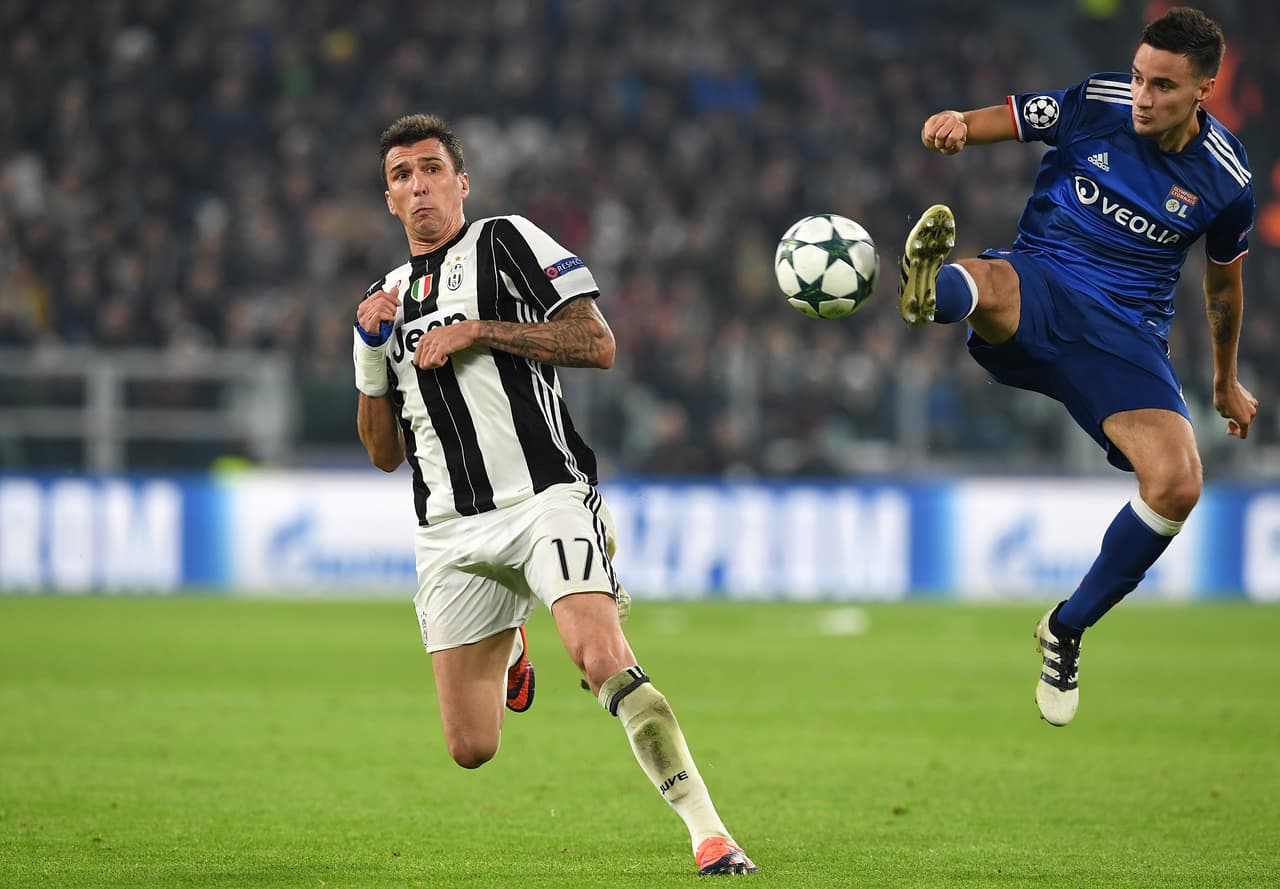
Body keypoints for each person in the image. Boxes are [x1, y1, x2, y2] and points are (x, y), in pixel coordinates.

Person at [352, 113, 757, 875]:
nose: (419, 185)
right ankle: (513, 634)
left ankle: (710, 833)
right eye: (402, 175)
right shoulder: (381, 300)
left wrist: (481, 330)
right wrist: (371, 350)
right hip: (449, 532)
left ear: (461, 182)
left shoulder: (505, 240)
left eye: (432, 169)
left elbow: (596, 343)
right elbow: (381, 453)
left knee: (602, 657)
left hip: (544, 499)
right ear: (390, 199)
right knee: (471, 746)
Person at [896, 7, 1257, 726]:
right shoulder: (1098, 101)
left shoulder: (1226, 179)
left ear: (1204, 89)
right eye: (1139, 77)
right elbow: (1015, 116)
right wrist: (960, 124)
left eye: (1162, 86)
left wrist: (1224, 381)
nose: (1142, 97)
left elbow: (1223, 286)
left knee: (1178, 481)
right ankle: (930, 291)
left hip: (1126, 336)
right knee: (990, 281)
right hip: (1047, 279)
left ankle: (1065, 627)